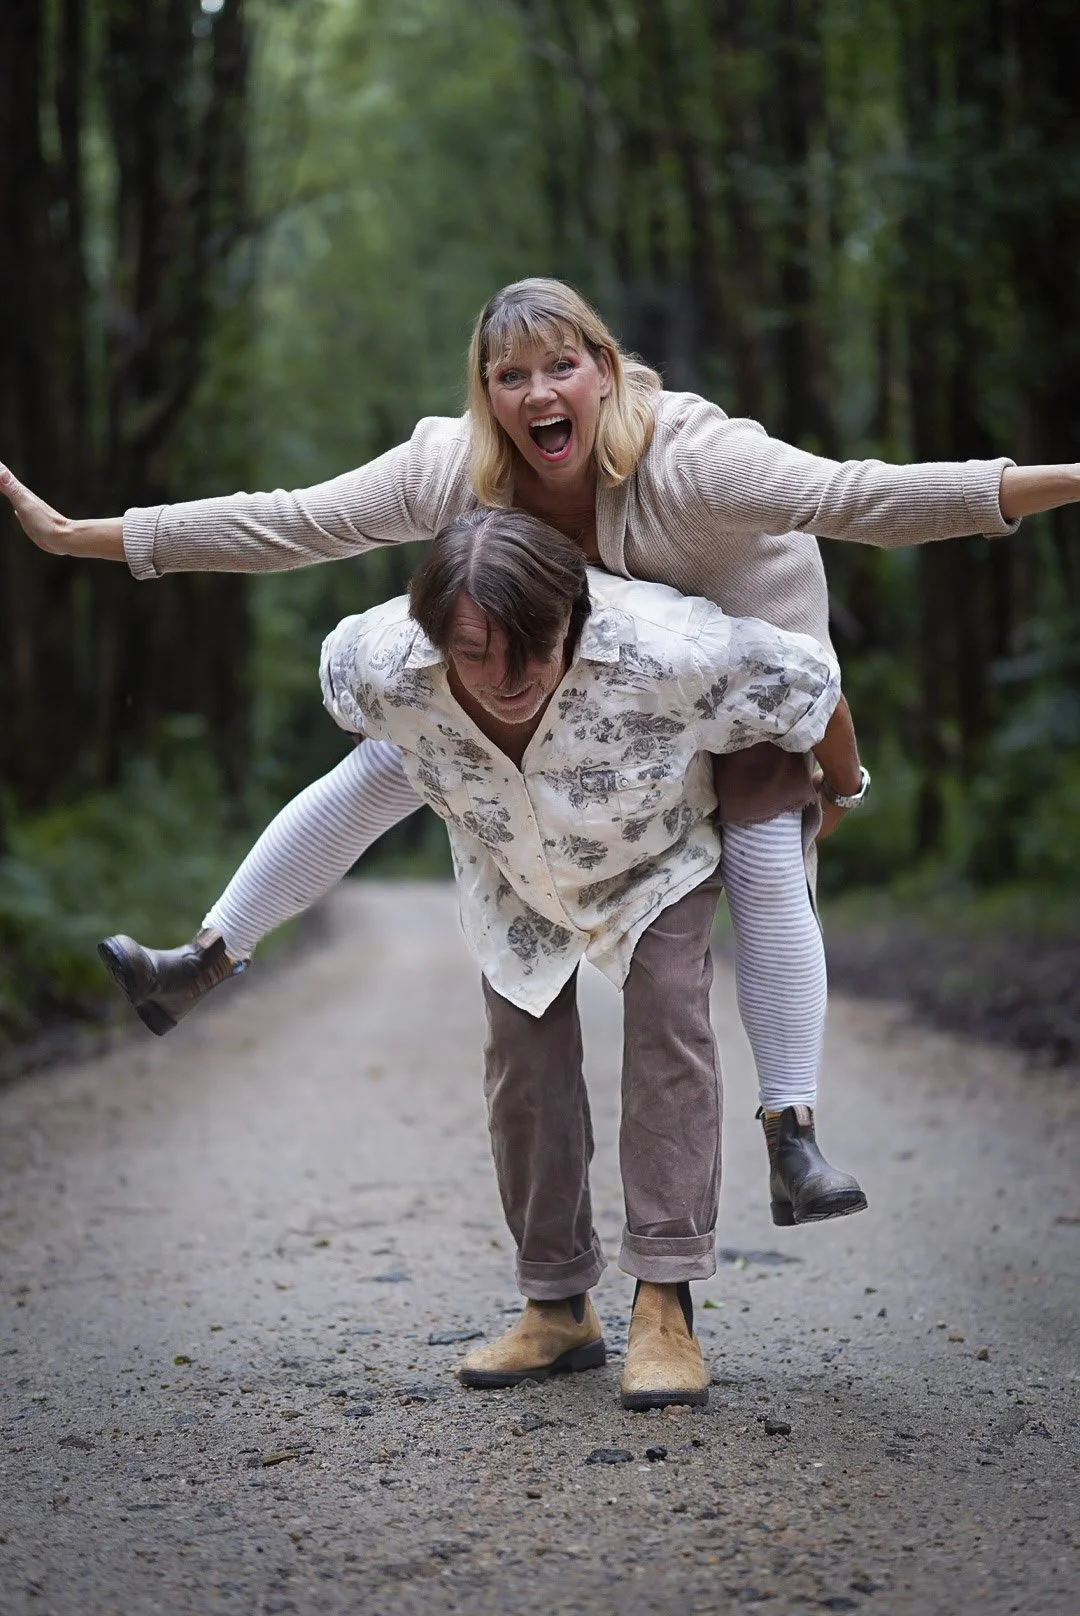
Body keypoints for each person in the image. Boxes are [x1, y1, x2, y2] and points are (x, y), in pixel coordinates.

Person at [4, 276, 1075, 1217]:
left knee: (761, 842)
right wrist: (86, 536)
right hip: (586, 676)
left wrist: (1052, 481)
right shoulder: (454, 468)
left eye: (560, 365)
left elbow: (859, 495)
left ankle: (791, 1127)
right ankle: (205, 955)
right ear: (485, 391)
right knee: (402, 749)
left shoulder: (694, 459)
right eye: (510, 375)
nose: (536, 393)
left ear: (603, 370)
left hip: (739, 673)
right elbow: (289, 521)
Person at [107, 508, 849, 1408]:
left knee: (669, 1033)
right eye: (471, 655)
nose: (502, 682)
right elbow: (357, 776)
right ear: (432, 639)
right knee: (523, 1068)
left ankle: (666, 1308)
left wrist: (842, 787)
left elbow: (813, 690)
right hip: (513, 862)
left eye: (529, 656)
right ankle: (557, 1305)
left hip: (656, 851)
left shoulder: (672, 645)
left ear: (575, 621)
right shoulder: (378, 660)